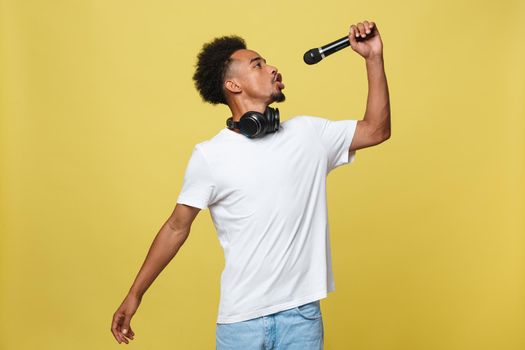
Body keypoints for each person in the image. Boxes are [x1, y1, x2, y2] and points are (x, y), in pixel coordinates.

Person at [111, 20, 390, 349]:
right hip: (240, 322)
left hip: (301, 318)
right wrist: (135, 294)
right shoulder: (210, 156)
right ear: (233, 85)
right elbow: (176, 227)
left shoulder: (309, 135)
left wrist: (373, 58)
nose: (272, 68)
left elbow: (376, 129)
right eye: (258, 65)